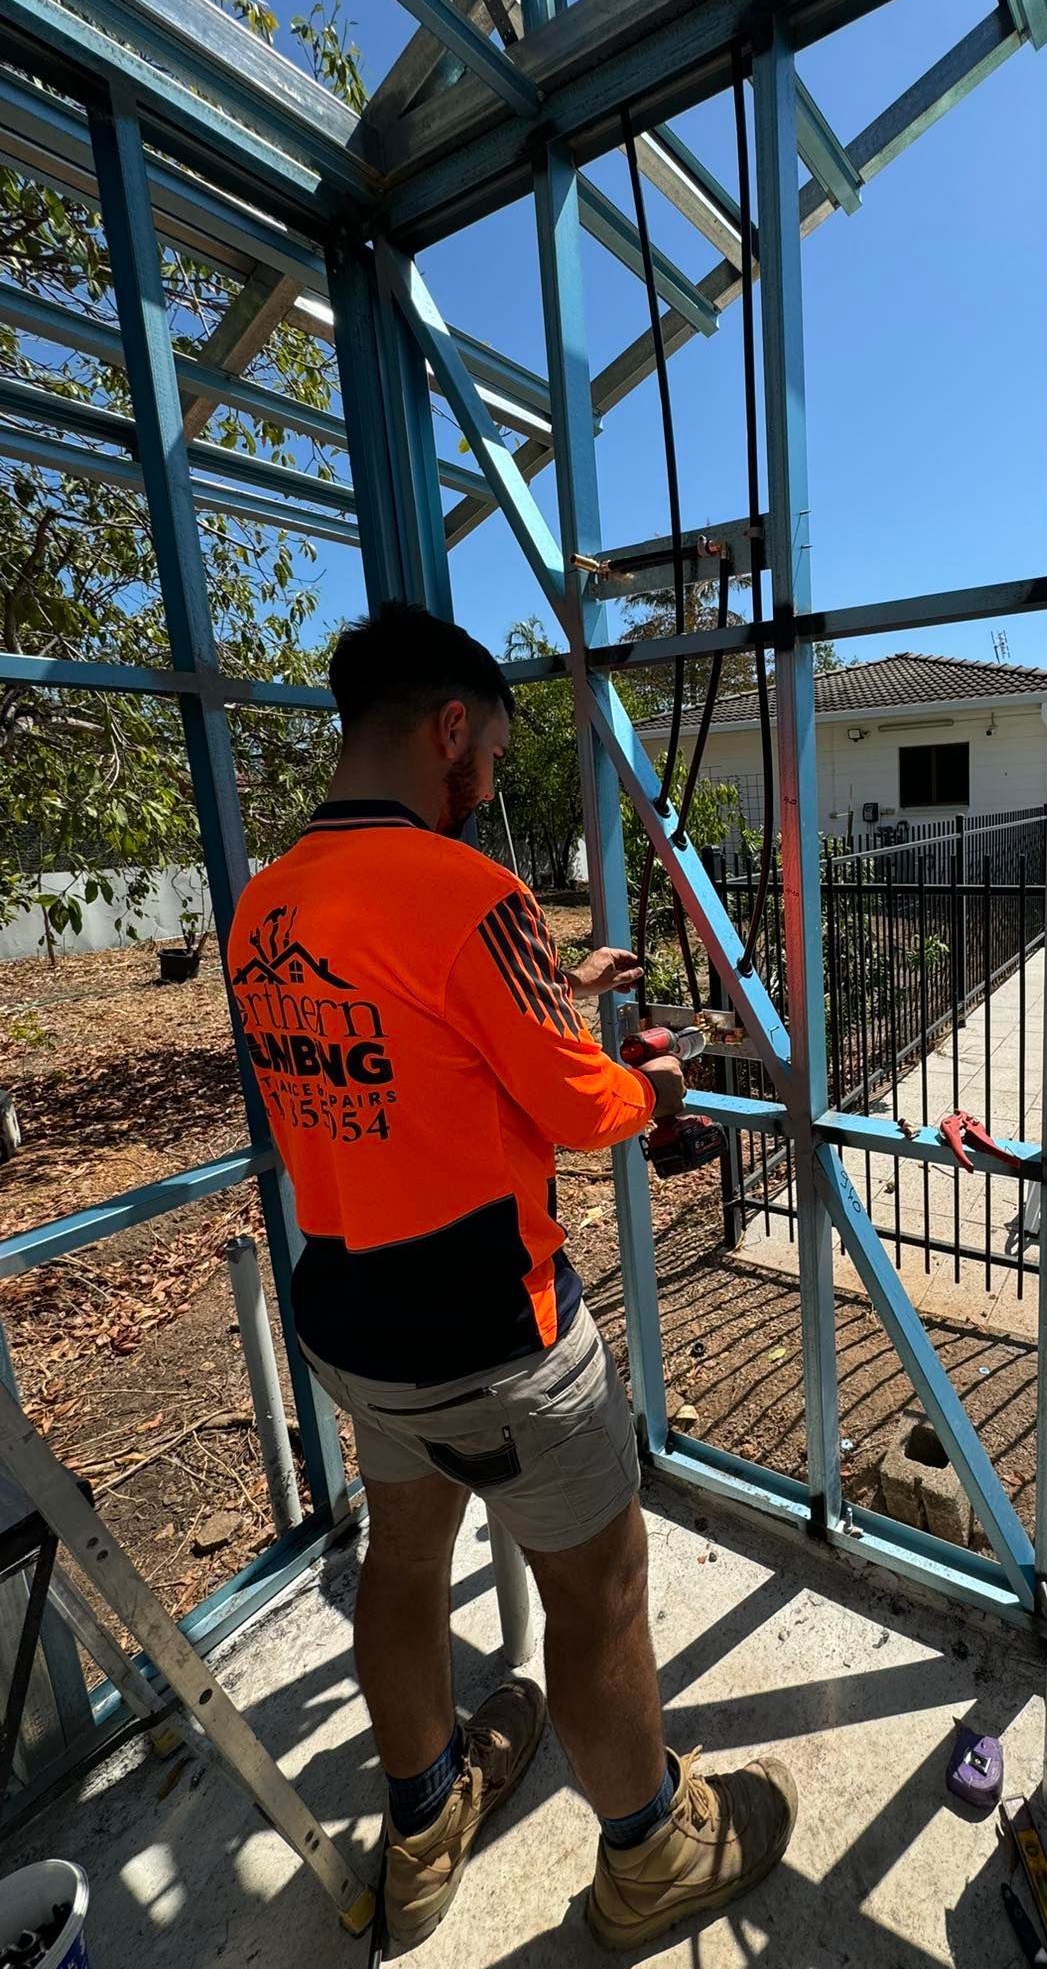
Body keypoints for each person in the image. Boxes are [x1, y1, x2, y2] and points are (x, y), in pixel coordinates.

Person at [225, 608, 796, 1952]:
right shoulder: (469, 894)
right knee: (596, 1597)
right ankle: (652, 1852)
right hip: (497, 1339)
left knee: (404, 1563)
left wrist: (550, 983)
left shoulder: (264, 908)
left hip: (355, 1325)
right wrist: (654, 1081)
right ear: (446, 731)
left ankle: (425, 1827)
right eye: (484, 750)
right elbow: (578, 1100)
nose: (483, 781)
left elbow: (400, 1066)